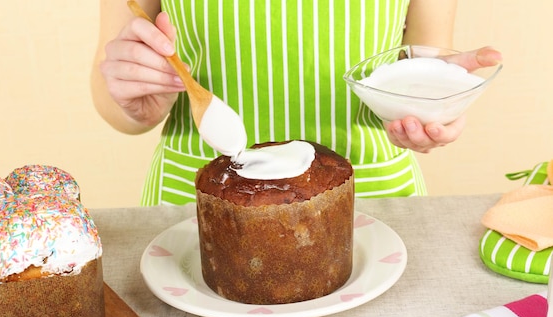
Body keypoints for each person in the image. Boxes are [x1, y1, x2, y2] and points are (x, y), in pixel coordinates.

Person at [91, 0, 502, 205]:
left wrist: (434, 101)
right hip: (193, 206)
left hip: (374, 204)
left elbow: (422, 58)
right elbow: (110, 84)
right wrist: (134, 104)